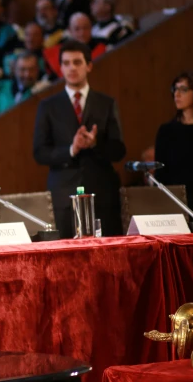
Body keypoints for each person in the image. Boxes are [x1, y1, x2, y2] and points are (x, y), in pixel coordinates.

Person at [33, 41, 126, 237]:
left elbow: (119, 150)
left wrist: (95, 143)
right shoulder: (48, 106)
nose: (71, 68)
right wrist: (71, 150)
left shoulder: (106, 103)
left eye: (77, 62)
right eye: (66, 63)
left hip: (102, 193)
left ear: (89, 65)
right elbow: (40, 152)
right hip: (63, 195)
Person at [155, 71, 193, 219]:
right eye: (175, 89)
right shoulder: (167, 131)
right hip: (177, 203)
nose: (176, 94)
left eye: (183, 89)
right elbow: (161, 174)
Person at [44, 13, 107, 79]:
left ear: (91, 27)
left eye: (85, 28)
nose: (82, 33)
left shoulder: (102, 45)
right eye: (77, 29)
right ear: (70, 30)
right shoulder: (59, 52)